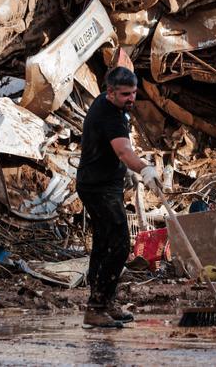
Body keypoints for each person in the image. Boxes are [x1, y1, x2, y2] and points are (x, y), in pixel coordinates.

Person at [77, 66, 163, 329]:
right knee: (120, 243)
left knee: (103, 243)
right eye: (126, 94)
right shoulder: (110, 115)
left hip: (103, 184)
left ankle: (103, 301)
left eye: (134, 92)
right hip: (98, 188)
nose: (132, 98)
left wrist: (131, 170)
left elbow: (118, 150)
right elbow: (124, 152)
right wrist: (145, 169)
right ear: (110, 91)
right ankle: (97, 306)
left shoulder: (111, 107)